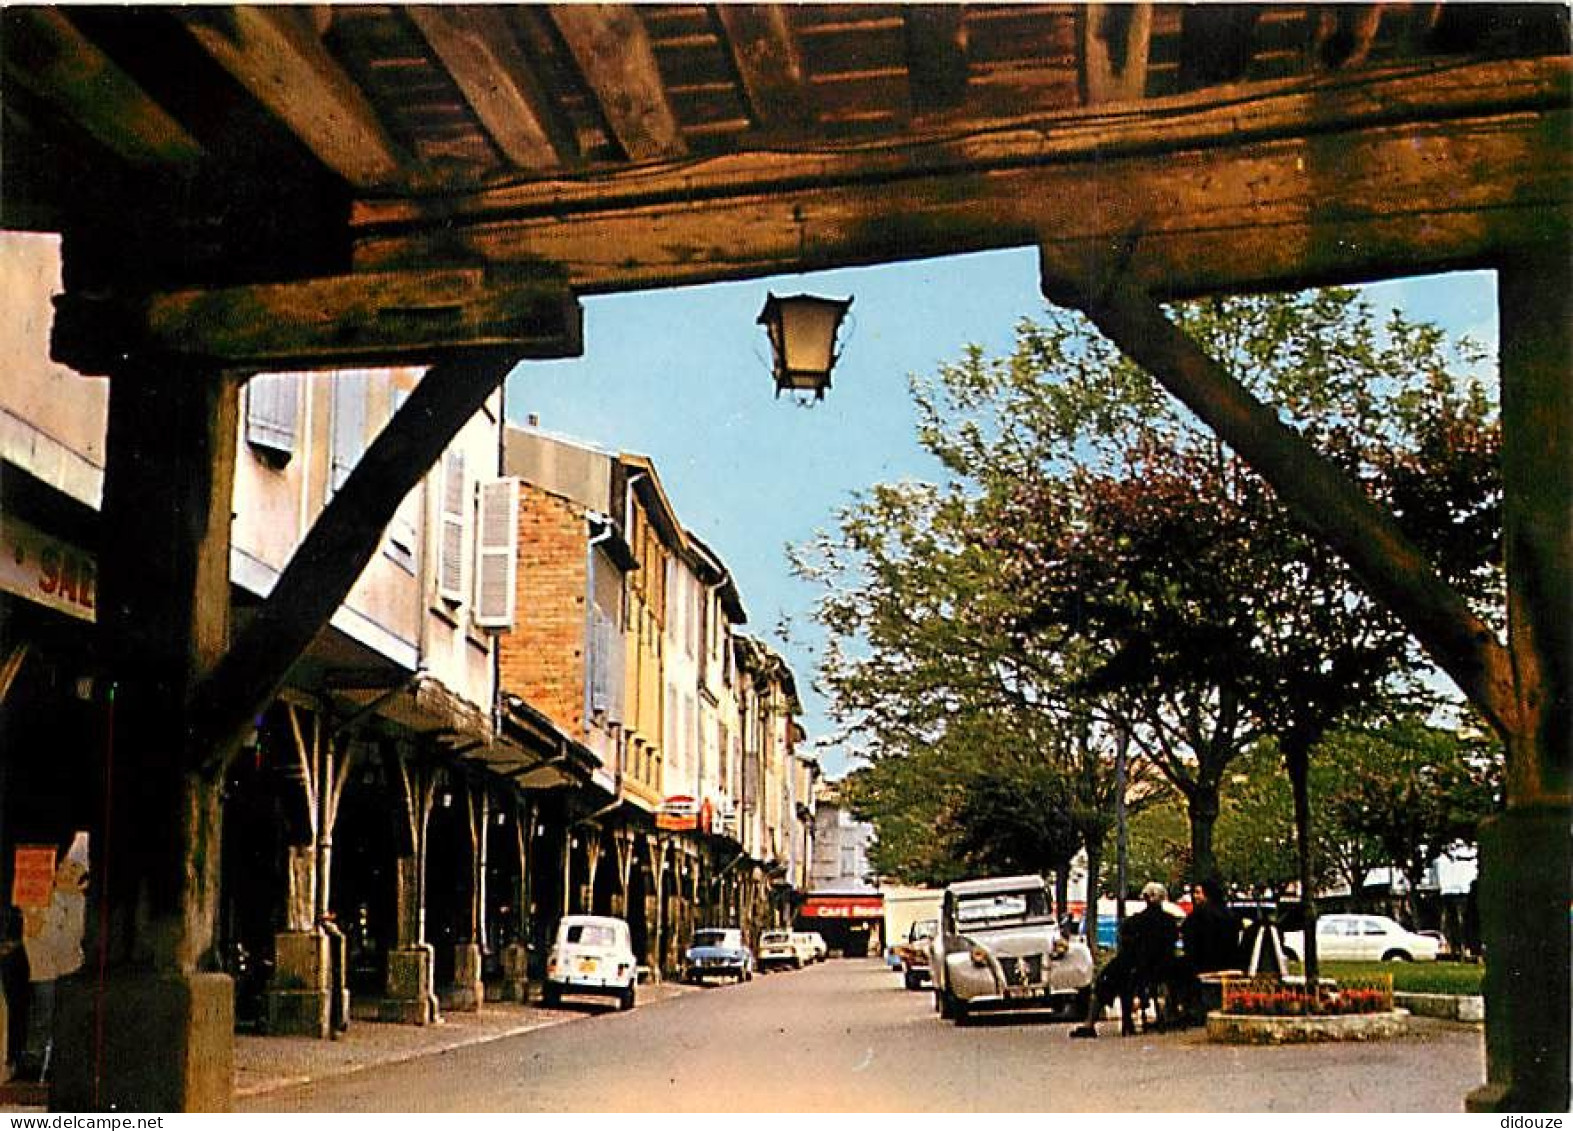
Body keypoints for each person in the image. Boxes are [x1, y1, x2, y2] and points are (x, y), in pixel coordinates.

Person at [1070, 881, 1179, 1039]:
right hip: (1163, 968)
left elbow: (1127, 946)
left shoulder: (1135, 922)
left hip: (1135, 967)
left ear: (1147, 898)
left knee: (1105, 980)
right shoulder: (1170, 922)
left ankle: (1090, 1023)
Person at [1171, 877, 1243, 1026]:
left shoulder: (1199, 915)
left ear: (1207, 894)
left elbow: (1190, 944)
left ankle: (1181, 1010)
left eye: (1198, 893)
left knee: (1172, 971)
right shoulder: (1230, 914)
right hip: (1230, 963)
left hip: (1204, 965)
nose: (1195, 896)